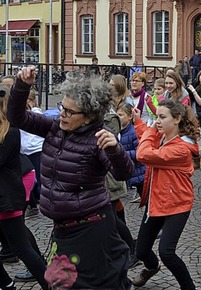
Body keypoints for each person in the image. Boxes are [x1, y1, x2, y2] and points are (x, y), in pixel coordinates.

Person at [8, 66, 134, 289]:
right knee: (58, 282)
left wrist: (115, 150)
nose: (62, 115)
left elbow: (124, 173)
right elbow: (16, 118)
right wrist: (22, 86)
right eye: (61, 108)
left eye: (69, 111)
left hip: (91, 229)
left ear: (89, 116)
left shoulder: (98, 139)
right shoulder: (54, 128)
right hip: (63, 228)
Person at [130, 99, 199, 289]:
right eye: (156, 117)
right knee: (141, 251)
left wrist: (151, 130)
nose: (157, 121)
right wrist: (139, 122)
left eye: (162, 117)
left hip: (177, 204)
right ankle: (152, 267)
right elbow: (147, 136)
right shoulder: (163, 137)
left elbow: (143, 154)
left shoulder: (181, 149)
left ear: (177, 119)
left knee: (167, 252)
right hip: (157, 201)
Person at [0, 86, 48, 290]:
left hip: (7, 199)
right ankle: (7, 284)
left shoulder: (10, 132)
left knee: (22, 248)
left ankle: (50, 285)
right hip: (4, 197)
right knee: (21, 245)